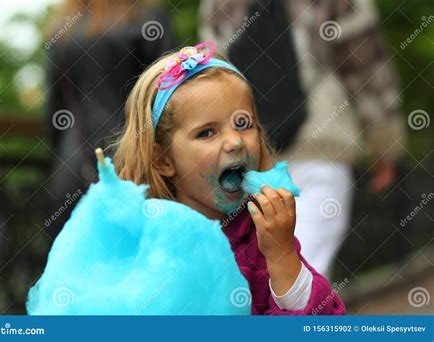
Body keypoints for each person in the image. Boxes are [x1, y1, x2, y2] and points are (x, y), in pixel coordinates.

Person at [111, 41, 345, 314]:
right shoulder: (143, 252)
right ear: (163, 160)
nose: (234, 142)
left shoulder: (265, 241)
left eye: (242, 124)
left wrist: (282, 257)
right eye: (207, 133)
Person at [199, 0, 406, 278]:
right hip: (320, 146)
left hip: (246, 159)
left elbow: (214, 73)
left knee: (261, 279)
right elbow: (365, 59)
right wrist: (384, 143)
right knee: (304, 275)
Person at [44, 0, 174, 237]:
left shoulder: (63, 28)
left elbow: (55, 110)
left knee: (74, 261)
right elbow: (168, 94)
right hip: (135, 160)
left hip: (71, 167)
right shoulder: (147, 19)